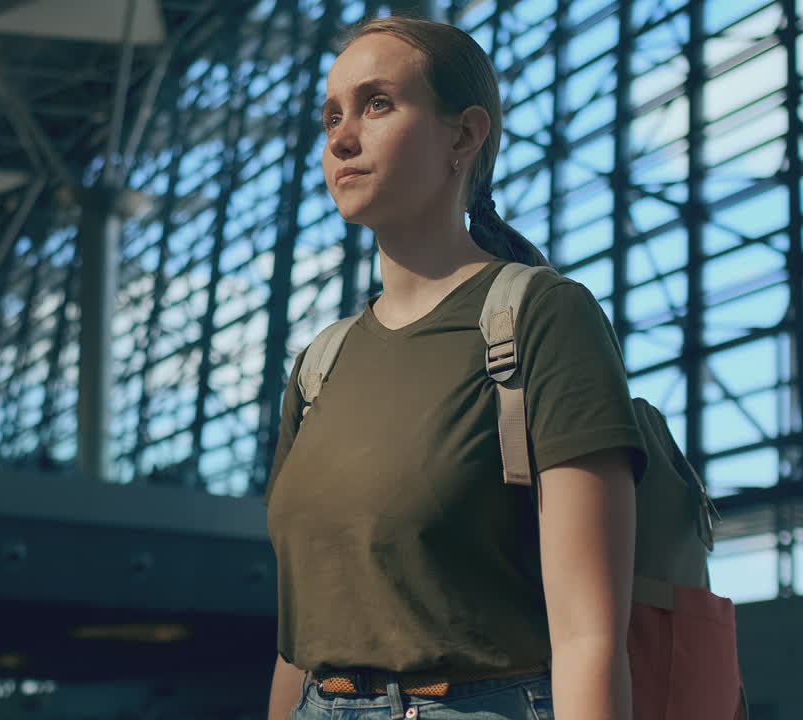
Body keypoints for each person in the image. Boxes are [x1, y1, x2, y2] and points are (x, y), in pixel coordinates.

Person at [264, 16, 646, 720]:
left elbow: (590, 636)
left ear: (465, 136)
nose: (341, 137)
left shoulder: (542, 317)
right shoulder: (321, 364)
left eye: (377, 104)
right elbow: (300, 643)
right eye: (331, 116)